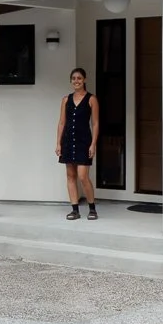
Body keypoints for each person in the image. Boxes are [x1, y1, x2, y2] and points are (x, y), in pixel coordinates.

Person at [56, 67, 100, 220]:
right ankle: (75, 210)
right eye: (74, 78)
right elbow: (62, 123)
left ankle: (92, 208)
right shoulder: (65, 100)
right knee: (70, 175)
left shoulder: (91, 99)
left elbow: (95, 123)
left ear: (84, 80)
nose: (76, 81)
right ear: (71, 81)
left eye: (79, 78)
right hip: (68, 141)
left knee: (83, 176)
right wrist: (58, 143)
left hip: (84, 141)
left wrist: (93, 144)